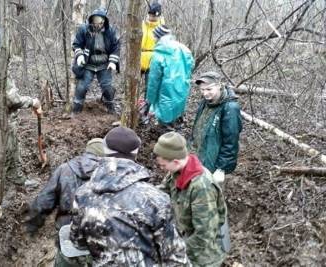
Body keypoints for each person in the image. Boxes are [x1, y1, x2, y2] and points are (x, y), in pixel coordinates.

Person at [67, 126, 190, 266]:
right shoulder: (156, 199)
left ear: (105, 151)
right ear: (136, 153)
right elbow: (175, 258)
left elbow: (77, 241)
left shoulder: (83, 194)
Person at [0, 24, 42, 198]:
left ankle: (15, 178)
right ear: (0, 44)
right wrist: (33, 102)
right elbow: (12, 100)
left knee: (11, 146)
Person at [24, 138, 105, 267]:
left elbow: (44, 201)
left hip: (69, 236)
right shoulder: (112, 175)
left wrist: (32, 225)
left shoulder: (64, 169)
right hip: (100, 241)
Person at [154, 131, 229, 267]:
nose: (161, 168)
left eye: (163, 165)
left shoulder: (201, 187)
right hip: (185, 237)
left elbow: (204, 234)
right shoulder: (176, 172)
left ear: (176, 161)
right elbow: (162, 192)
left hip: (202, 256)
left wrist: (175, 251)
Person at [189, 71, 242, 185]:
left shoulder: (230, 108)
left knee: (211, 191)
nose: (205, 93)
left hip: (213, 161)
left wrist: (221, 168)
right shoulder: (206, 102)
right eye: (202, 90)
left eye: (209, 89)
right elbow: (197, 126)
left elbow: (231, 141)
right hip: (199, 154)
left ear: (219, 85)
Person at [72, 8, 120, 114]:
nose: (96, 23)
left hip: (104, 64)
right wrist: (79, 56)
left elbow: (116, 47)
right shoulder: (84, 29)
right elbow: (76, 44)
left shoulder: (110, 31)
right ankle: (76, 111)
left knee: (107, 87)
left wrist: (112, 62)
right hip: (88, 63)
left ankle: (111, 110)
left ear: (104, 21)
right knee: (81, 87)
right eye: (94, 20)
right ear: (91, 20)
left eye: (99, 20)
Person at [146, 25, 194, 128]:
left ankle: (165, 136)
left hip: (165, 89)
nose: (153, 38)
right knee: (177, 108)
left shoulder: (158, 54)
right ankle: (176, 126)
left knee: (164, 115)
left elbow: (154, 81)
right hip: (182, 86)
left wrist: (150, 100)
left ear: (158, 37)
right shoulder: (183, 48)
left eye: (154, 36)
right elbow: (191, 65)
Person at [140, 2, 164, 90]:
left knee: (149, 87)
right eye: (150, 15)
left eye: (154, 16)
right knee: (133, 85)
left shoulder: (162, 28)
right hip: (139, 57)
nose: (151, 17)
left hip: (153, 60)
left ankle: (148, 103)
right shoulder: (141, 24)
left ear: (159, 16)